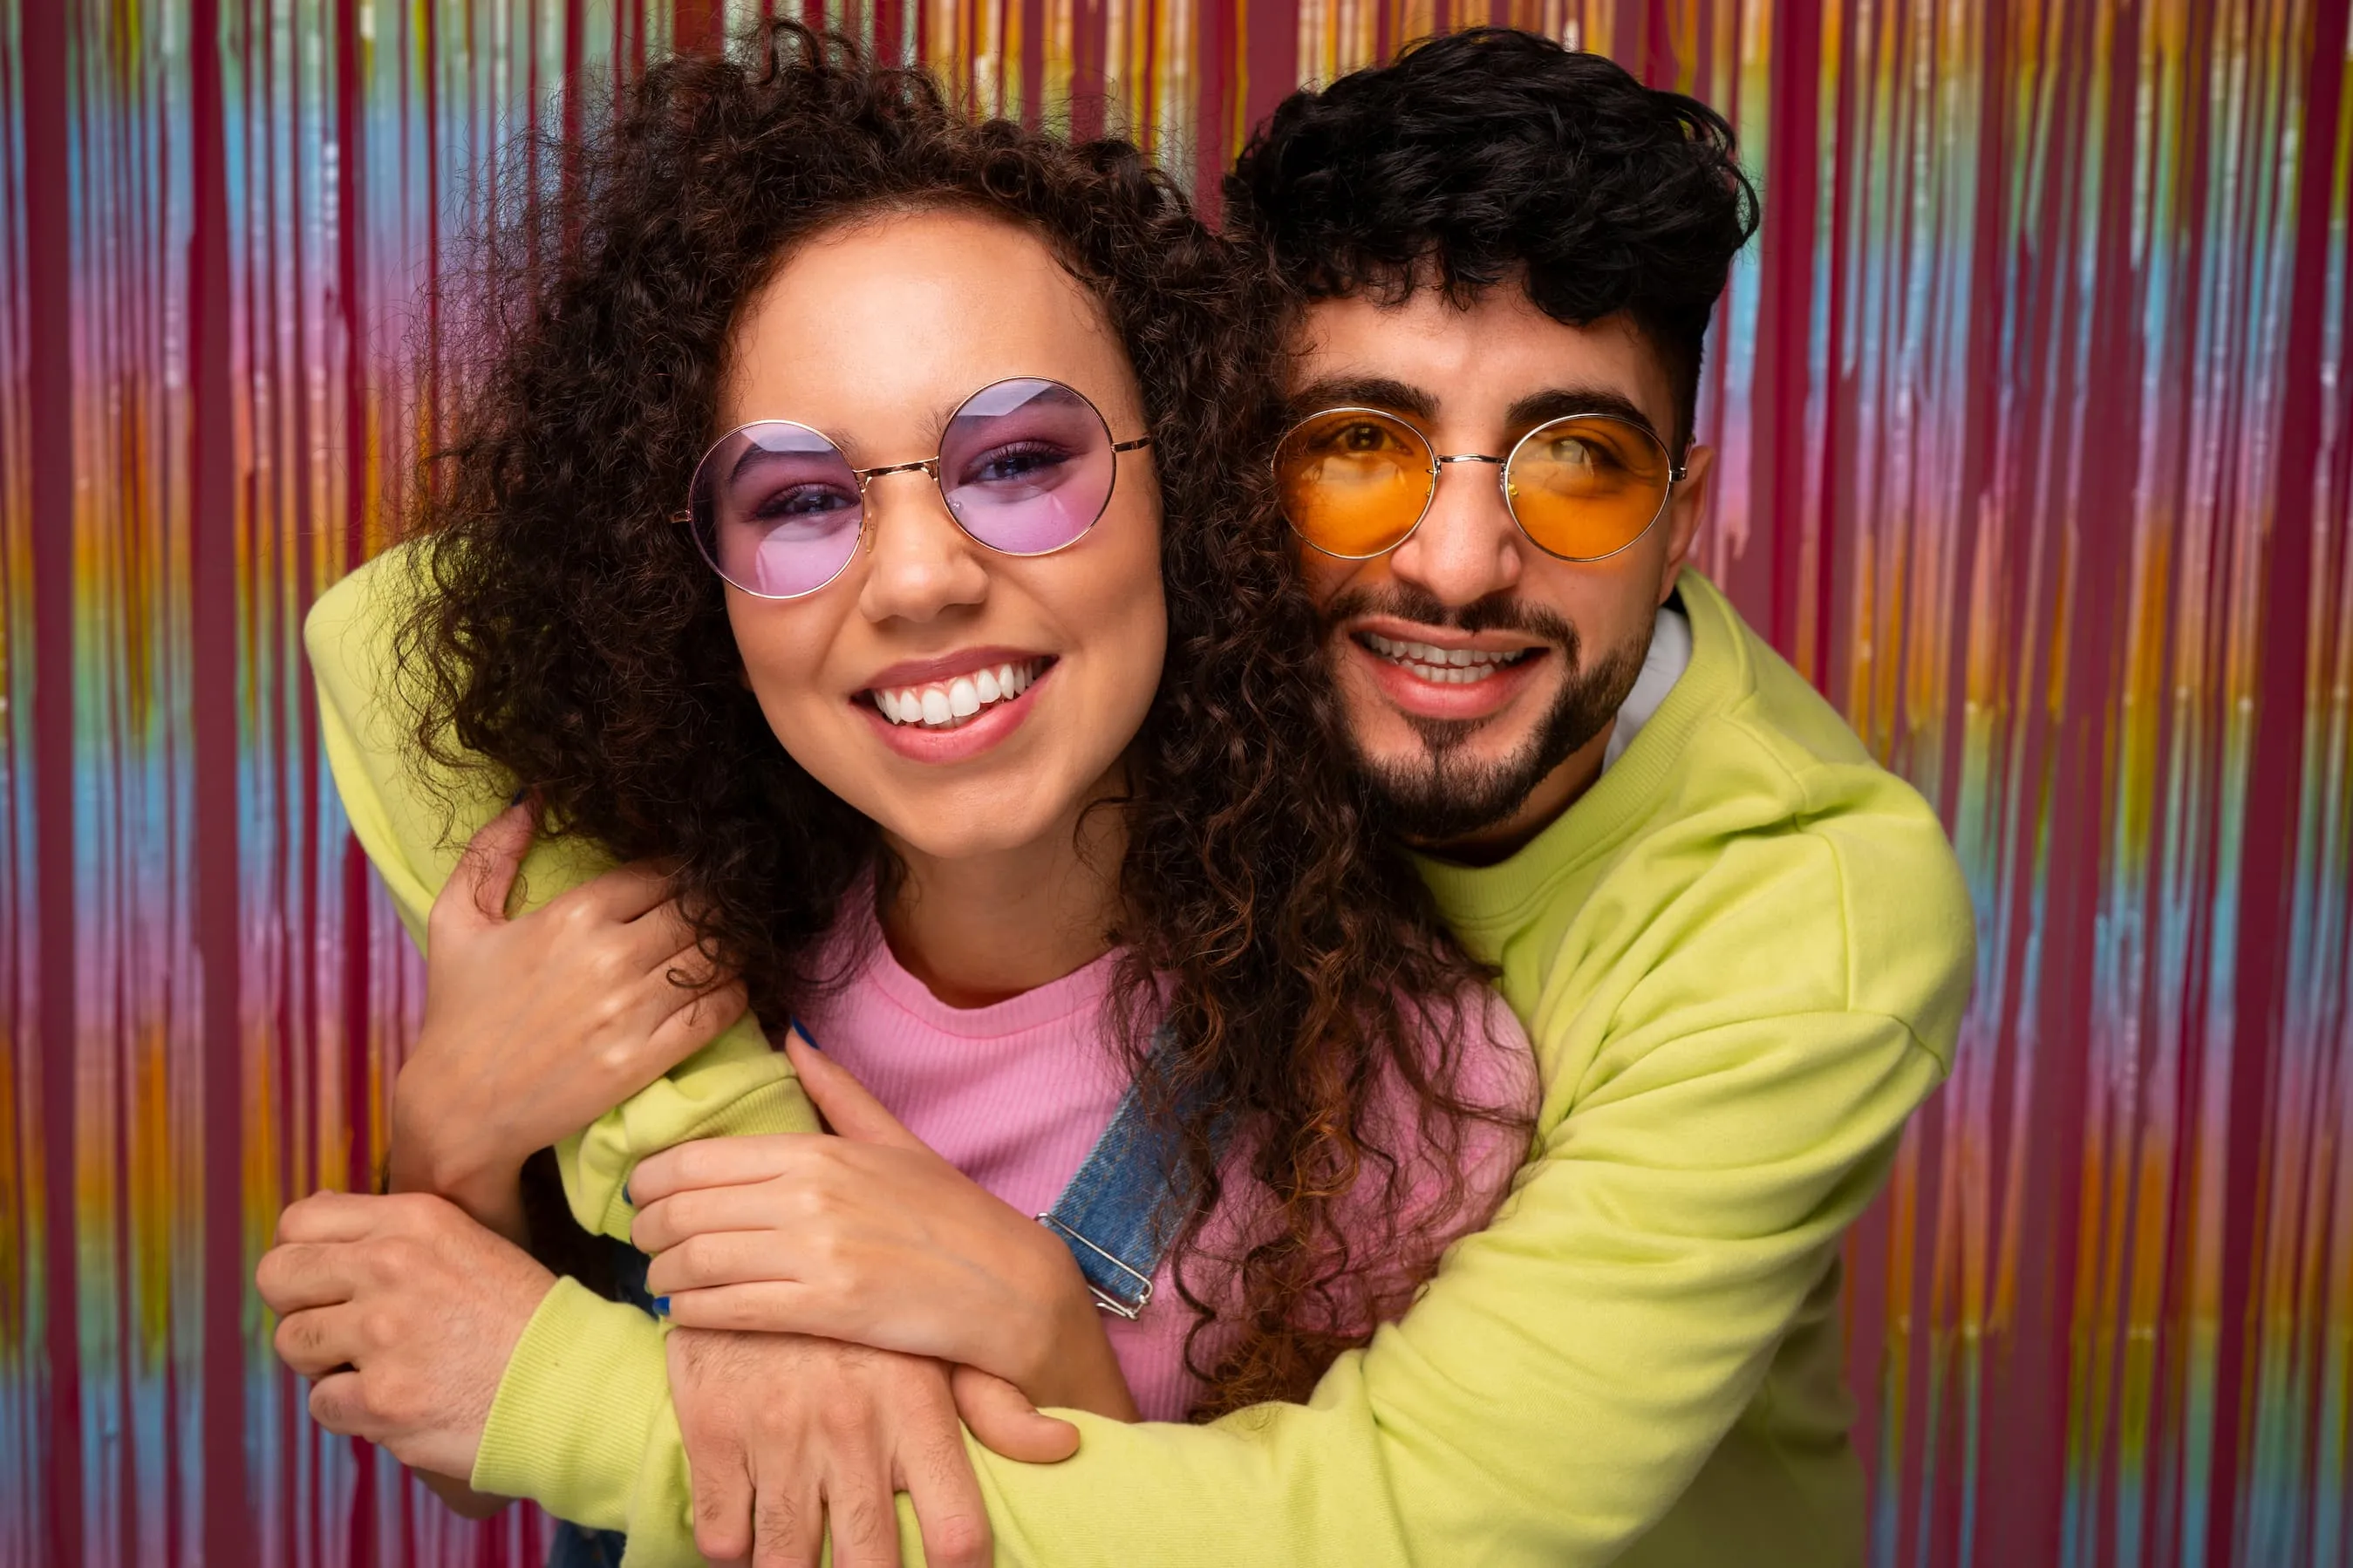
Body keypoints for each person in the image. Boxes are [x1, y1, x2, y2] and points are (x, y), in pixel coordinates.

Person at [259, 25, 1976, 1568]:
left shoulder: (1748, 949)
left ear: (1686, 513)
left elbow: (1379, 1521)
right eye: (1357, 443)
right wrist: (502, 1126)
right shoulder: (765, 874)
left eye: (1576, 462)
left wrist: (961, 1338)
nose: (1452, 563)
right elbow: (404, 636)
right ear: (1235, 461)